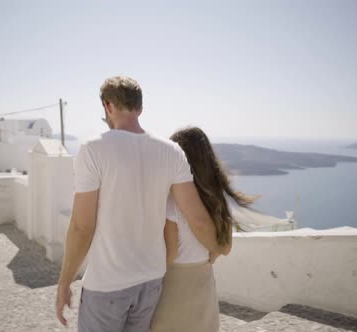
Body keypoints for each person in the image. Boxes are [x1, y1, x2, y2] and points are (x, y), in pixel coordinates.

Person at [55, 76, 229, 331]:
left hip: (107, 285)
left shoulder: (93, 149)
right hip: (151, 283)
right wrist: (216, 247)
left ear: (108, 106)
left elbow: (82, 227)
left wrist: (64, 282)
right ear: (140, 108)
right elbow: (198, 218)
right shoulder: (172, 152)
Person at [150, 127, 256, 332]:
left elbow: (169, 255)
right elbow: (226, 247)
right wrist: (214, 249)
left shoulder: (171, 200)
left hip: (174, 287)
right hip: (203, 284)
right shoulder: (216, 198)